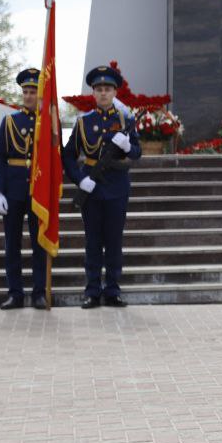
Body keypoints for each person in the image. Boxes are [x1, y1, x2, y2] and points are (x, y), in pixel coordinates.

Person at [62, 64, 141, 309]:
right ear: (93, 93)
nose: (103, 93)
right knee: (93, 241)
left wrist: (127, 147)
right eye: (99, 89)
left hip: (116, 187)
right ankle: (92, 291)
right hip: (92, 187)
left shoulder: (125, 120)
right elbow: (68, 155)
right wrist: (79, 178)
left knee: (114, 241)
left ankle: (113, 290)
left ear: (115, 92)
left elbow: (137, 153)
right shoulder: (84, 122)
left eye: (108, 89)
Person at [0, 68, 48, 310]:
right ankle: (15, 293)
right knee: (12, 244)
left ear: (40, 94)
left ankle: (38, 293)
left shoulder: (47, 123)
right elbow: (0, 159)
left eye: (33, 91)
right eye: (25, 91)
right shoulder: (10, 121)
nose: (28, 96)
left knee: (39, 244)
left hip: (39, 191)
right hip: (13, 190)